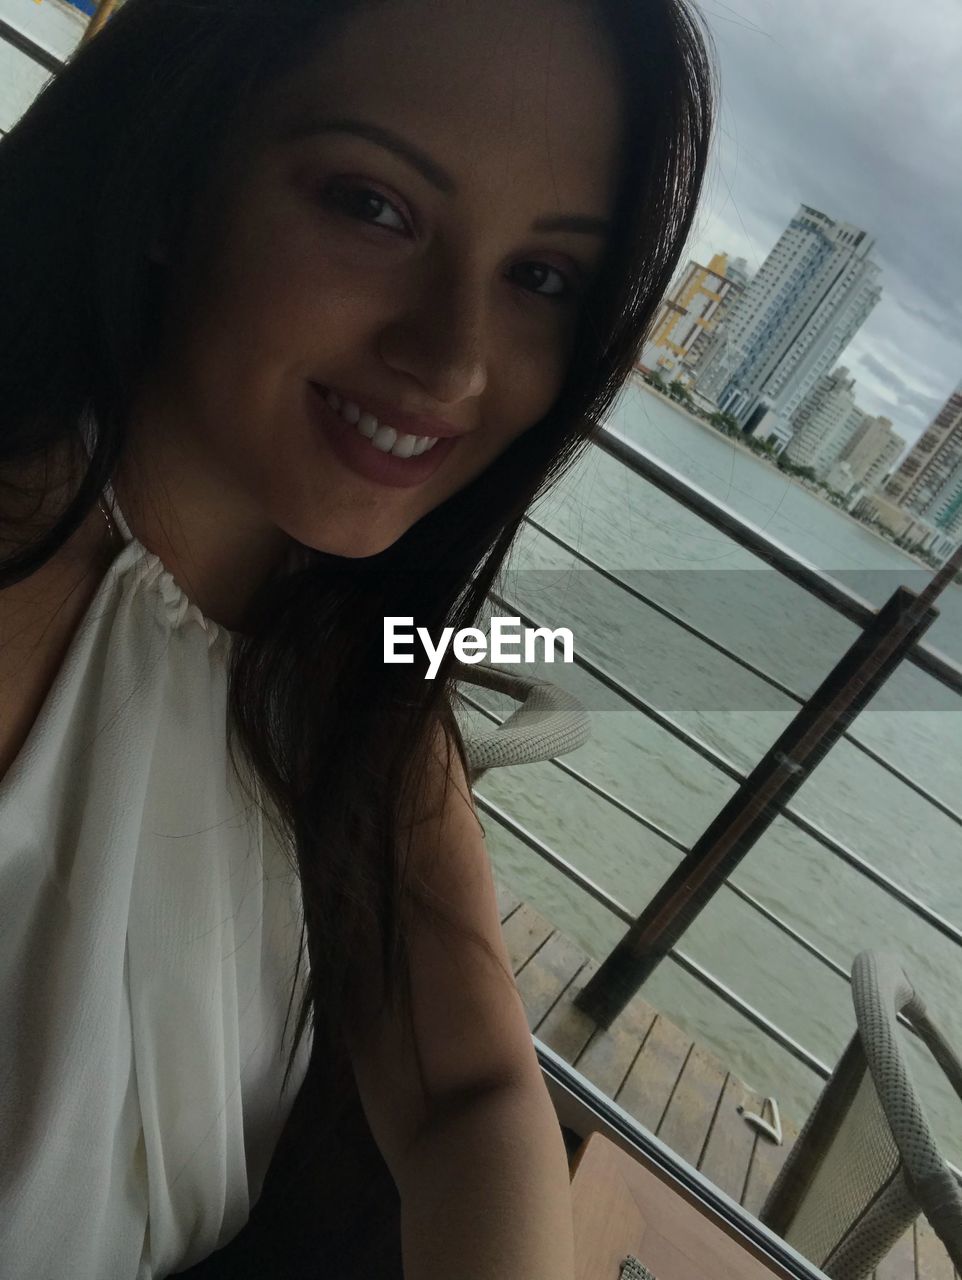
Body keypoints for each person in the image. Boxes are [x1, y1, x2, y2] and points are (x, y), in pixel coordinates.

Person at [0, 0, 716, 1275]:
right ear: (178, 167)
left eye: (540, 278)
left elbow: (471, 1092)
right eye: (371, 205)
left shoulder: (341, 674)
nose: (450, 361)